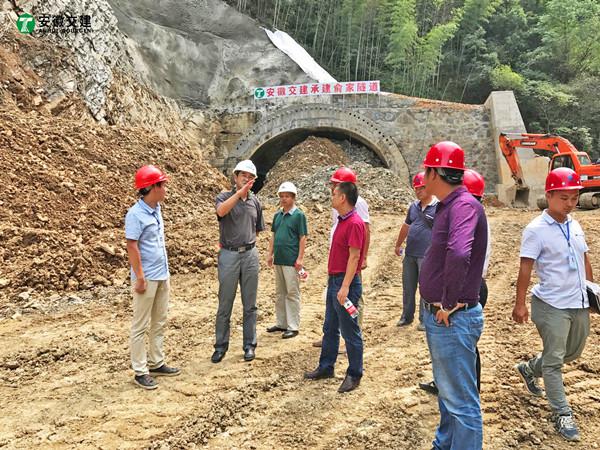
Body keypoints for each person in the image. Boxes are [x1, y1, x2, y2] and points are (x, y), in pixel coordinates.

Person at [513, 167, 594, 442]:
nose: (570, 204)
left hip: (578, 302)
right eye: (564, 198)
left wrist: (592, 292)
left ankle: (528, 368)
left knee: (573, 352)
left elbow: (584, 259)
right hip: (551, 305)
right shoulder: (536, 230)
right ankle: (562, 413)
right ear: (549, 196)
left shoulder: (575, 224)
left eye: (574, 198)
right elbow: (525, 268)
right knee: (555, 360)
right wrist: (520, 304)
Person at [419, 141, 488, 450]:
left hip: (452, 319)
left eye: (426, 171)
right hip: (446, 318)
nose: (423, 177)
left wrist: (448, 302)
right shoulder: (449, 205)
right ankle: (444, 443)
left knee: (461, 403)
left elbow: (459, 253)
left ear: (435, 173)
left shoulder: (463, 206)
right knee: (449, 394)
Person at [304, 182, 367, 393]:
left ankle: (354, 373)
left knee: (350, 330)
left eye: (334, 194)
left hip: (345, 283)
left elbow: (354, 256)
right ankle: (326, 366)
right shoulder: (341, 220)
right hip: (335, 281)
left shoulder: (355, 223)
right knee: (330, 327)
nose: (331, 197)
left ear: (342, 198)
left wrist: (345, 287)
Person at [125, 165, 180, 390]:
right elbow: (132, 246)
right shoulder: (135, 214)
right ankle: (140, 371)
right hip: (146, 278)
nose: (165, 189)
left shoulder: (156, 209)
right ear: (152, 187)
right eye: (163, 185)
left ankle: (157, 362)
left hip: (162, 274)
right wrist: (140, 277)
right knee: (140, 325)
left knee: (159, 320)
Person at [212, 160, 265, 363]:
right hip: (229, 255)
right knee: (225, 303)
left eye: (251, 177)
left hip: (250, 254)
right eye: (244, 175)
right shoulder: (224, 197)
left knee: (250, 304)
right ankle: (220, 346)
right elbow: (221, 212)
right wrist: (239, 194)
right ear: (235, 177)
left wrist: (248, 244)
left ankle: (249, 345)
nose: (247, 179)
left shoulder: (255, 202)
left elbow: (257, 229)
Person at [313, 167, 370, 348]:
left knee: (351, 300)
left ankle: (352, 336)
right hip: (338, 261)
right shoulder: (337, 204)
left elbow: (365, 231)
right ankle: (332, 336)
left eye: (335, 184)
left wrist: (363, 257)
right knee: (333, 302)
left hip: (350, 262)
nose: (332, 187)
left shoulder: (358, 203)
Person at [394, 171, 437, 331]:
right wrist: (398, 244)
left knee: (425, 288)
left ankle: (424, 319)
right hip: (410, 254)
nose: (418, 191)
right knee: (408, 287)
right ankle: (406, 317)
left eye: (422, 188)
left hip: (427, 256)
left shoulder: (438, 207)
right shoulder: (413, 207)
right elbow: (406, 226)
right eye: (416, 188)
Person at [266, 181, 308, 339]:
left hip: (291, 260)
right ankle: (282, 323)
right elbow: (274, 235)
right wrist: (270, 254)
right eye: (282, 196)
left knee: (292, 292)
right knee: (280, 293)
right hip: (279, 259)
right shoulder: (277, 215)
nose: (284, 199)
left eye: (287, 196)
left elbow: (302, 237)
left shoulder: (299, 216)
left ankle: (293, 326)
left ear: (293, 197)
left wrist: (300, 258)